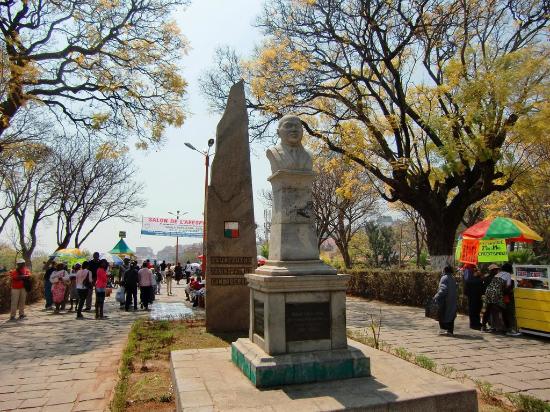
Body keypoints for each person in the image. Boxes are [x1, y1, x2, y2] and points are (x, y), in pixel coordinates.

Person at [434, 265, 458, 335]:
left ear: (445, 270)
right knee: (451, 315)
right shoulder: (452, 278)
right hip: (452, 300)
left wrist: (436, 296)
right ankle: (450, 331)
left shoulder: (444, 278)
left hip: (445, 300)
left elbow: (443, 289)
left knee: (441, 314)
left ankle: (442, 329)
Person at [463, 264, 483, 330]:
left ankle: (473, 324)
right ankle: (477, 323)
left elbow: (465, 291)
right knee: (477, 311)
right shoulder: (480, 281)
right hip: (478, 298)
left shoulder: (469, 281)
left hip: (471, 298)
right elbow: (483, 290)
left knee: (472, 311)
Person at [481, 264, 500, 331]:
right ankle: (488, 326)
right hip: (492, 297)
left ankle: (487, 326)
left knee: (488, 312)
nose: (497, 271)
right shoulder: (494, 278)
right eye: (496, 270)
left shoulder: (486, 278)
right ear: (492, 270)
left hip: (488, 297)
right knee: (489, 312)